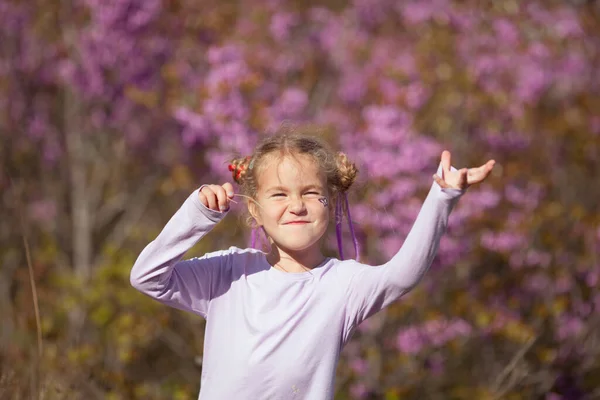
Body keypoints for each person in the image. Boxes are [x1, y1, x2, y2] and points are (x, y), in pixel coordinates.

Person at [130, 129, 495, 399]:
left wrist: (442, 197)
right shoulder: (226, 272)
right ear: (254, 211)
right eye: (279, 194)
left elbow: (404, 274)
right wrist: (196, 215)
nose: (297, 205)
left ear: (332, 205)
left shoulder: (343, 284)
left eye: (309, 193)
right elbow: (147, 277)